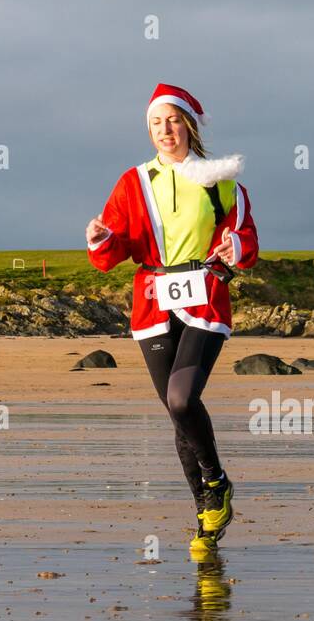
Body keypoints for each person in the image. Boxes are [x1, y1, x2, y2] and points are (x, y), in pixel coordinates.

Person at [86, 83, 259, 556]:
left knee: (183, 400)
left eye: (174, 120)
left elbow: (246, 241)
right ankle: (207, 517)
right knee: (175, 414)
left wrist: (234, 248)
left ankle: (217, 483)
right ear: (149, 130)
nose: (166, 130)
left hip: (204, 297)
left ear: (190, 125)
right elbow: (112, 254)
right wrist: (100, 237)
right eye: (156, 123)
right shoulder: (133, 183)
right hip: (152, 303)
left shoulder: (221, 180)